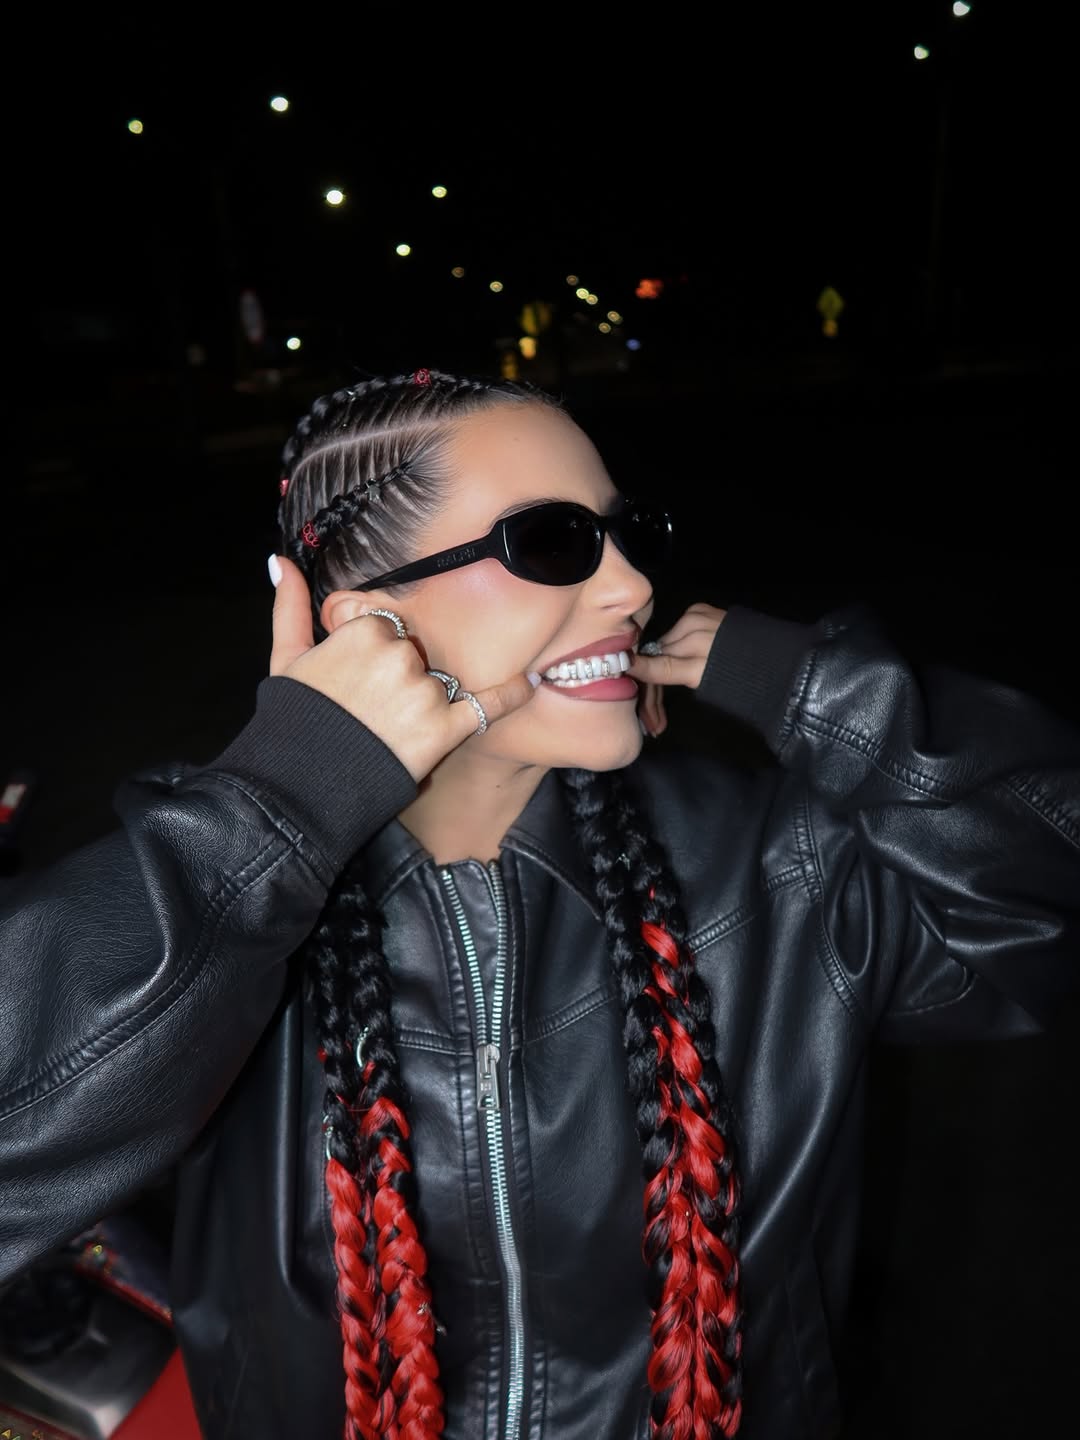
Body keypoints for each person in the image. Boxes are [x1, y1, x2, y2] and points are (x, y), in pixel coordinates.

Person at [1, 367, 1077, 1440]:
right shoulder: (224, 897)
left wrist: (825, 696)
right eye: (554, 542)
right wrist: (278, 810)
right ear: (371, 620)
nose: (633, 586)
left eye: (629, 535)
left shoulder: (774, 865)